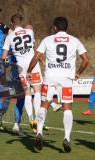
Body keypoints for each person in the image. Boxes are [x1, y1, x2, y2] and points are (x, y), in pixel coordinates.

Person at [27, 17, 89, 152]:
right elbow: (86, 60)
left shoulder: (47, 40)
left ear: (55, 27)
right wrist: (78, 73)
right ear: (66, 27)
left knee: (44, 105)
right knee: (67, 108)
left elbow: (36, 56)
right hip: (66, 79)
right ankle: (66, 137)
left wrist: (29, 70)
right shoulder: (74, 40)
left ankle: (39, 133)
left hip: (50, 78)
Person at [1, 14, 42, 133]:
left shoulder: (10, 36)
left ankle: (31, 118)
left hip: (21, 66)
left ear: (11, 23)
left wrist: (8, 63)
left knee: (27, 93)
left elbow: (4, 57)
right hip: (33, 64)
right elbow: (34, 47)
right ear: (22, 22)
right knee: (37, 91)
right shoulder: (30, 32)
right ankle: (38, 119)